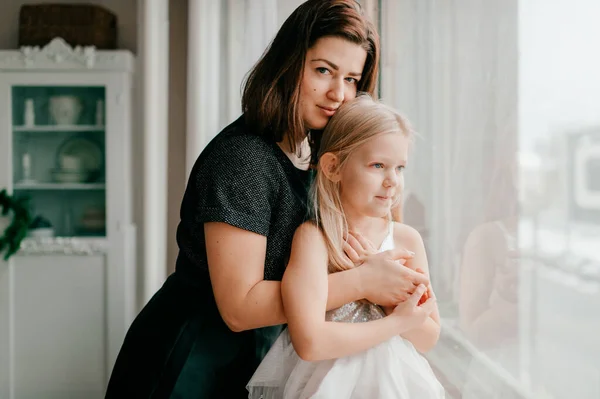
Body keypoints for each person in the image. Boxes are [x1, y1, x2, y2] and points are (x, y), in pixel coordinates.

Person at [105, 1, 429, 398]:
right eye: (323, 70)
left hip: (254, 358)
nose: (337, 93)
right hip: (191, 362)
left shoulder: (310, 157)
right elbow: (239, 307)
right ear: (289, 64)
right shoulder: (244, 160)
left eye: (351, 79)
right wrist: (362, 282)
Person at [247, 94, 445, 398]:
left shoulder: (407, 240)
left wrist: (391, 300)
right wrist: (397, 322)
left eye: (400, 167)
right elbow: (311, 342)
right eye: (378, 165)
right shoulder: (315, 239)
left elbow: (428, 337)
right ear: (333, 167)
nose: (392, 181)